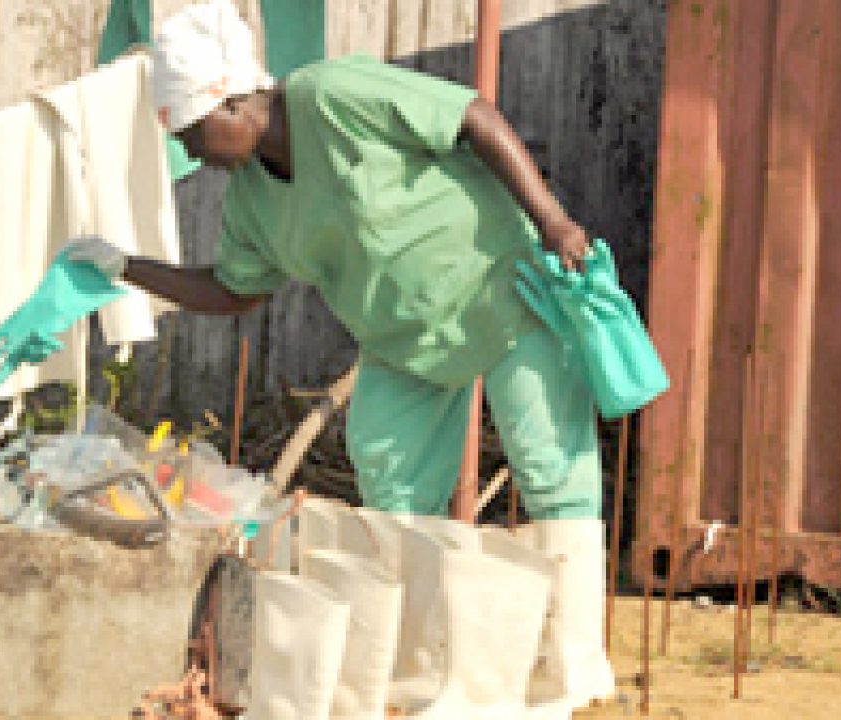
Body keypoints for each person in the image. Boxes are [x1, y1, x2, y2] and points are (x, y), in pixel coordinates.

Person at [64, 0, 615, 709]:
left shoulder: (333, 95)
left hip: (505, 291)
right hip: (402, 340)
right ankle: (428, 675)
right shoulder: (250, 204)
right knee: (390, 475)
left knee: (551, 472)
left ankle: (574, 675)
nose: (194, 155)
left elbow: (472, 117)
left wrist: (554, 221)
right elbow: (233, 290)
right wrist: (124, 267)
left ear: (232, 101)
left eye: (194, 134)